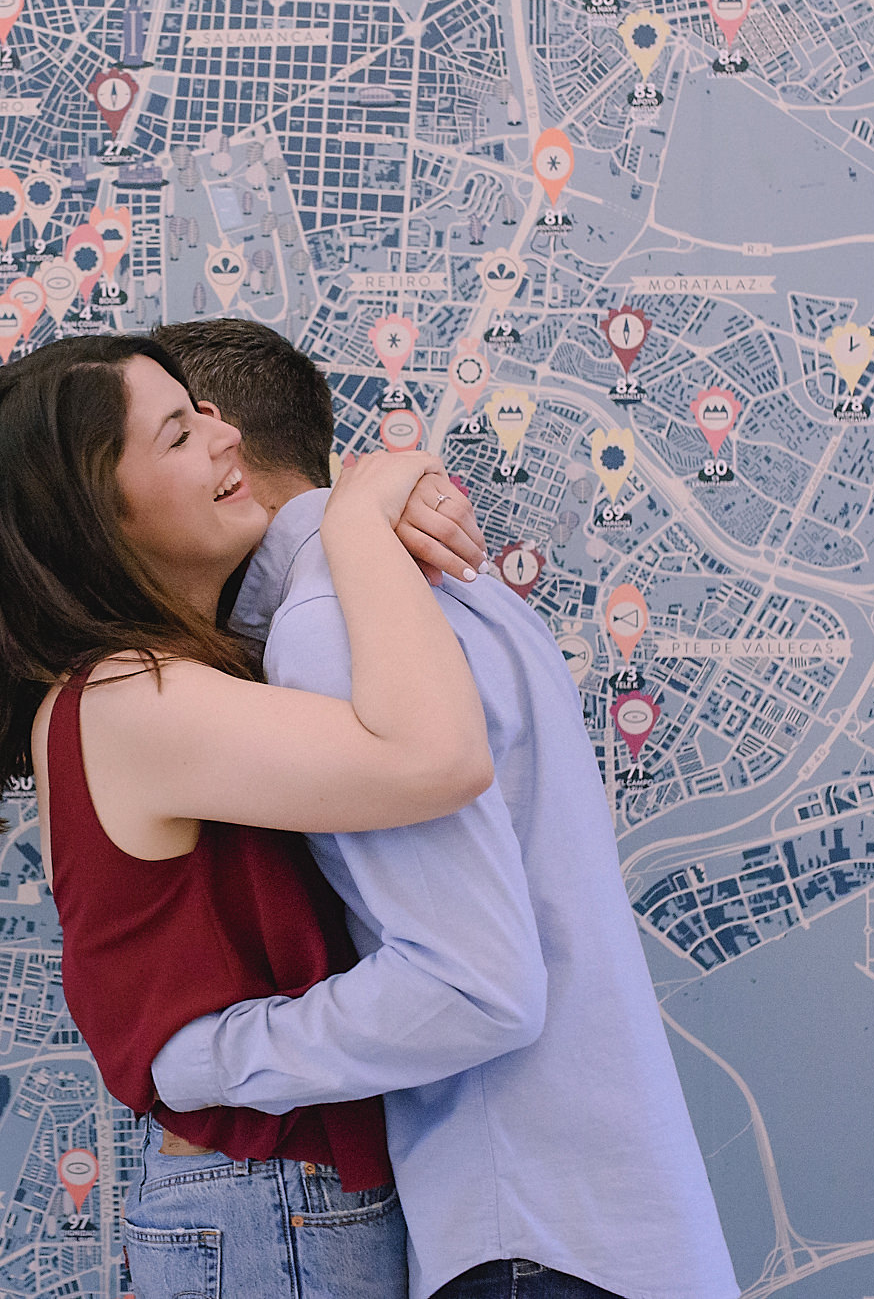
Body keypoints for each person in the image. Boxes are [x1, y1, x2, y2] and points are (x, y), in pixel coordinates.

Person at [148, 319, 738, 1299]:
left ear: (214, 442)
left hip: (523, 1233)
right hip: (587, 1219)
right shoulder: (434, 586)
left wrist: (204, 1059)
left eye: (136, 447)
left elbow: (471, 987)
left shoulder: (328, 625)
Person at [0, 334, 515, 1299]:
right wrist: (360, 513)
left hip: (275, 1202)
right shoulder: (127, 699)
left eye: (202, 410)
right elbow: (439, 757)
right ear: (95, 513)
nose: (225, 434)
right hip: (269, 1203)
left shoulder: (158, 686)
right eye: (177, 433)